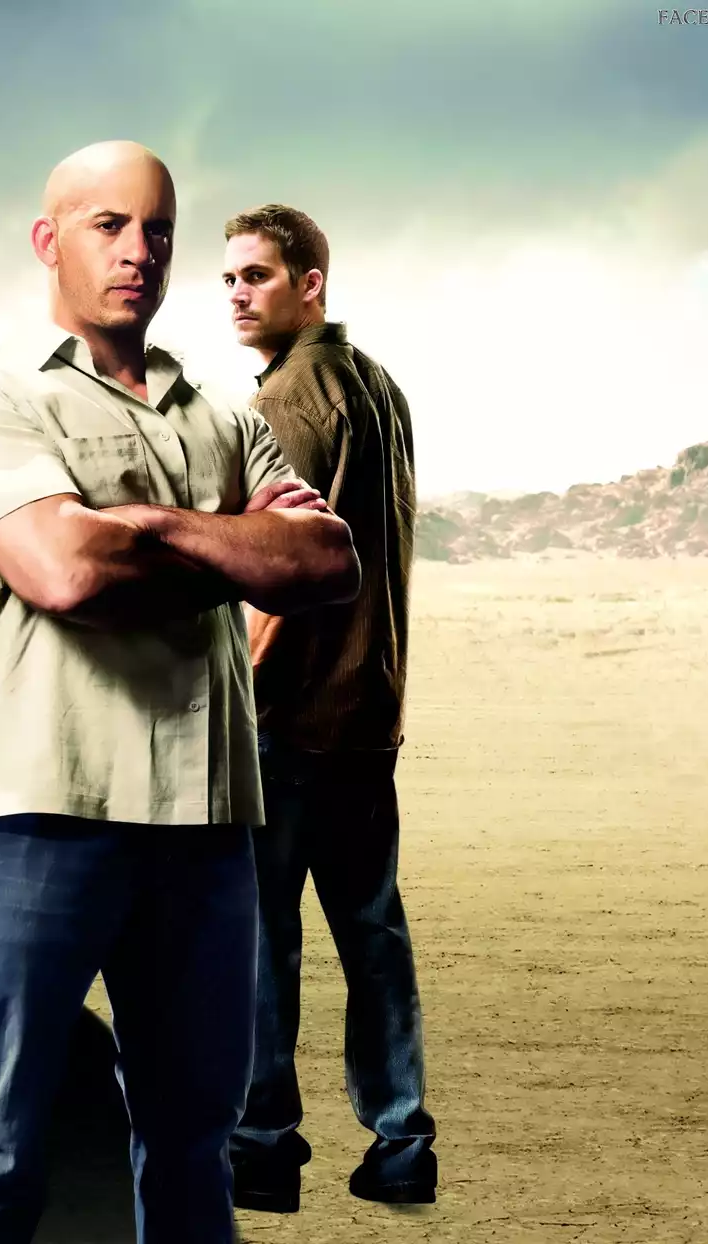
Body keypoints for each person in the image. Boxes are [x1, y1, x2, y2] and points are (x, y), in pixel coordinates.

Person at [0, 141, 362, 1244]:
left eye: (158, 229)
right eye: (109, 224)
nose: (139, 251)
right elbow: (65, 572)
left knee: (196, 1139)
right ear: (47, 239)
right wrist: (234, 541)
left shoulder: (222, 412)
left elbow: (325, 562)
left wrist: (142, 524)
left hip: (207, 820)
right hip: (45, 809)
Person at [221, 205, 436, 1208]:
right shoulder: (378, 386)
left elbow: (278, 576)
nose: (236, 294)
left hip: (290, 716)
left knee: (263, 936)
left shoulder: (288, 399)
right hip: (367, 710)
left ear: (311, 284)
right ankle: (402, 1141)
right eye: (229, 278)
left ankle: (263, 1144)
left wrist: (235, 694)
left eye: (257, 275)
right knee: (373, 930)